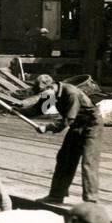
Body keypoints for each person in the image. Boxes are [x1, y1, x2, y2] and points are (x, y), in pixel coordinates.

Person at [34, 73, 103, 203]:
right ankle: (56, 196)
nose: (44, 97)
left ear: (51, 86)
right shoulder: (50, 93)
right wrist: (17, 109)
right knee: (64, 159)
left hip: (91, 125)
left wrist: (48, 127)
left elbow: (68, 120)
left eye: (44, 93)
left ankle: (91, 201)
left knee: (88, 162)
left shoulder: (71, 93)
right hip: (77, 125)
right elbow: (38, 110)